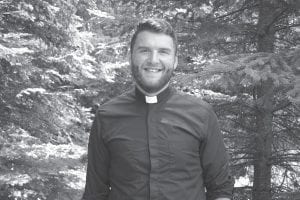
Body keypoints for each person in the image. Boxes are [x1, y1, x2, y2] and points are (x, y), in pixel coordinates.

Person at [82, 18, 234, 200]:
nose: (153, 60)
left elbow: (220, 191)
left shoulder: (202, 115)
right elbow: (95, 193)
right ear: (131, 56)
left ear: (175, 61)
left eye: (163, 52)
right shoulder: (107, 117)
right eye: (144, 50)